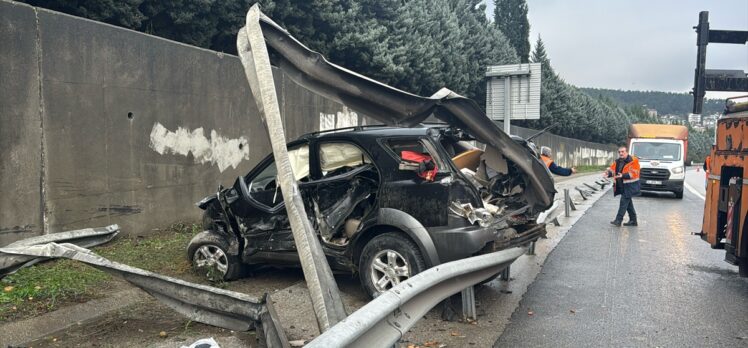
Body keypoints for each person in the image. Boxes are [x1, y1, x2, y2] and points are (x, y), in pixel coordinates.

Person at [604, 145, 641, 226]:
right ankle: (633, 220)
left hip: (630, 186)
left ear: (627, 152)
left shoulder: (634, 161)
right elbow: (613, 170)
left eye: (622, 152)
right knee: (628, 204)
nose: (621, 153)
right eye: (619, 152)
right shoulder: (617, 161)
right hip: (621, 186)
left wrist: (623, 175)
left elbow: (634, 173)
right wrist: (608, 174)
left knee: (623, 202)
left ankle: (618, 220)